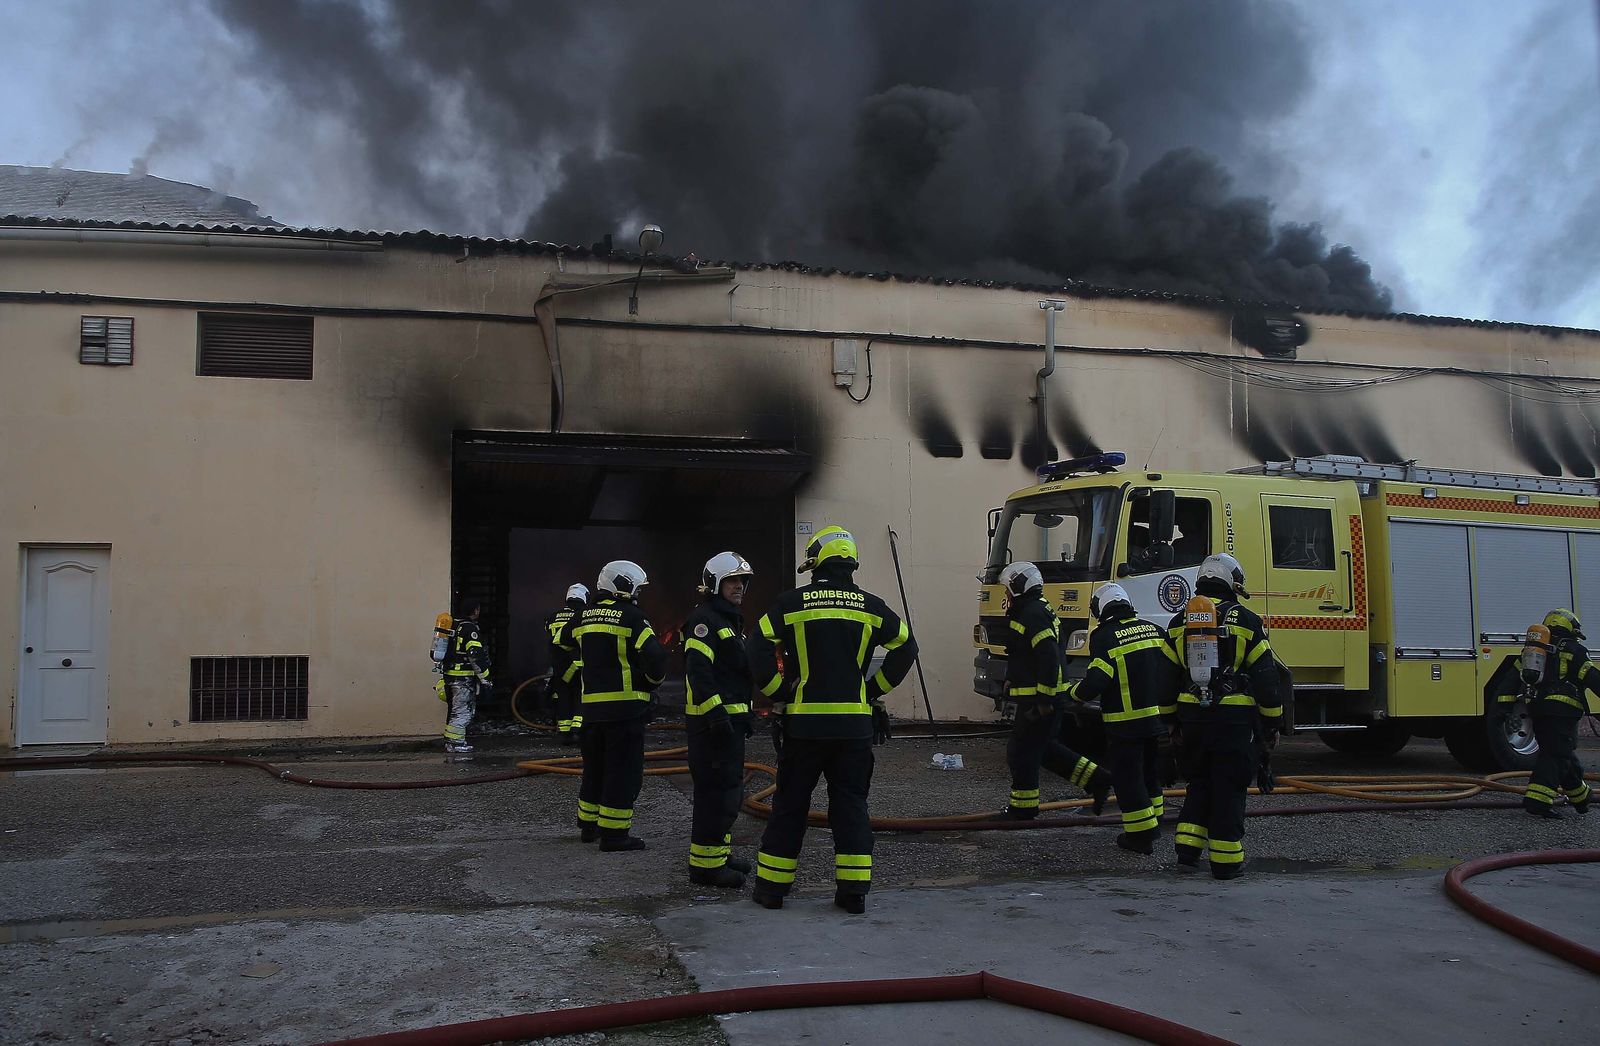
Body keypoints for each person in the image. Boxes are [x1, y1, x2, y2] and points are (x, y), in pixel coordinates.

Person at [748, 526, 917, 914]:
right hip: (854, 728)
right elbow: (906, 646)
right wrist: (873, 689)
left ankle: (771, 890)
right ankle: (853, 893)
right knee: (851, 806)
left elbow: (756, 645)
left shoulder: (791, 603)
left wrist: (778, 691)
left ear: (816, 561)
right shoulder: (871, 606)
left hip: (804, 727)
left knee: (790, 804)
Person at [1165, 553, 1281, 879]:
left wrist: (1170, 722)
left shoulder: (1178, 623)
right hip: (1233, 722)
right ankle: (1227, 863)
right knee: (1229, 788)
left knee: (1199, 783)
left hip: (1192, 720)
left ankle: (1187, 854)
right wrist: (1272, 722)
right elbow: (1266, 678)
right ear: (1232, 583)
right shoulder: (1246, 622)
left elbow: (1166, 677)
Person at [1065, 582, 1180, 854]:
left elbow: (1097, 681)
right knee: (1150, 774)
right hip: (1159, 720)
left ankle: (1140, 837)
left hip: (1126, 724)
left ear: (1100, 610)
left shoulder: (1105, 636)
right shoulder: (1154, 629)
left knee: (1129, 780)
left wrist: (1072, 693)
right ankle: (1155, 820)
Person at [562, 561, 668, 852]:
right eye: (636, 588)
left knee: (594, 769)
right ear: (623, 585)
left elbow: (562, 638)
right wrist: (650, 682)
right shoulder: (633, 617)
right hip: (626, 711)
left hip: (591, 712)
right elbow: (656, 657)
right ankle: (615, 835)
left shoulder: (583, 616)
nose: (638, 594)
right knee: (623, 773)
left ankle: (589, 827)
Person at [995, 562, 1111, 820]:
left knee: (1021, 751)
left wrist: (1044, 699)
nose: (1005, 595)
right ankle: (1097, 779)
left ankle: (1023, 809)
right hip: (1038, 697)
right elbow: (1026, 655)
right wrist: (1011, 679)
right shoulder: (1031, 611)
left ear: (1017, 586)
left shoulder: (1033, 614)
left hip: (1041, 699)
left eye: (1007, 589)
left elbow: (1048, 658)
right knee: (1044, 750)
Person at [682, 552, 757, 887]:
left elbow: (734, 676)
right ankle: (706, 869)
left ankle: (718, 857)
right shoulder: (704, 620)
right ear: (714, 583)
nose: (739, 586)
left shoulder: (728, 621)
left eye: (742, 581)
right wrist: (715, 715)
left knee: (728, 794)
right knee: (716, 797)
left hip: (729, 725)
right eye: (732, 581)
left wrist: (745, 714)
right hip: (712, 728)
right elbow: (699, 673)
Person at [1513, 609, 1598, 818]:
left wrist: (1504, 707)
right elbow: (1590, 676)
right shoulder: (1574, 650)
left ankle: (1581, 798)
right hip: (1563, 711)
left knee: (1562, 753)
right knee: (1555, 755)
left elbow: (1514, 677)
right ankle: (1537, 802)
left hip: (1537, 710)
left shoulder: (1534, 652)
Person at [443, 598, 490, 755]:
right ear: (474, 610)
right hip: (462, 677)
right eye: (478, 609)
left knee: (454, 710)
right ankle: (457, 742)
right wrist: (485, 679)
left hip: (449, 675)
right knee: (463, 711)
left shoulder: (454, 626)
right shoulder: (470, 629)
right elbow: (475, 655)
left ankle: (451, 743)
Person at [544, 583, 588, 746]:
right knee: (580, 695)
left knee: (563, 696)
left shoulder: (553, 616)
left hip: (560, 666)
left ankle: (564, 732)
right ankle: (578, 729)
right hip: (579, 664)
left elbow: (549, 635)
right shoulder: (583, 615)